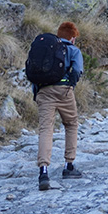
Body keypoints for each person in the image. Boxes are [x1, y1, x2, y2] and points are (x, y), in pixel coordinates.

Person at [35, 21, 85, 191]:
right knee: (71, 125)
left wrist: (38, 93)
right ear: (72, 38)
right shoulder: (73, 50)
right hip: (64, 91)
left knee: (45, 129)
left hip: (43, 91)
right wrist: (71, 84)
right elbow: (77, 70)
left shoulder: (48, 48)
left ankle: (43, 170)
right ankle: (69, 165)